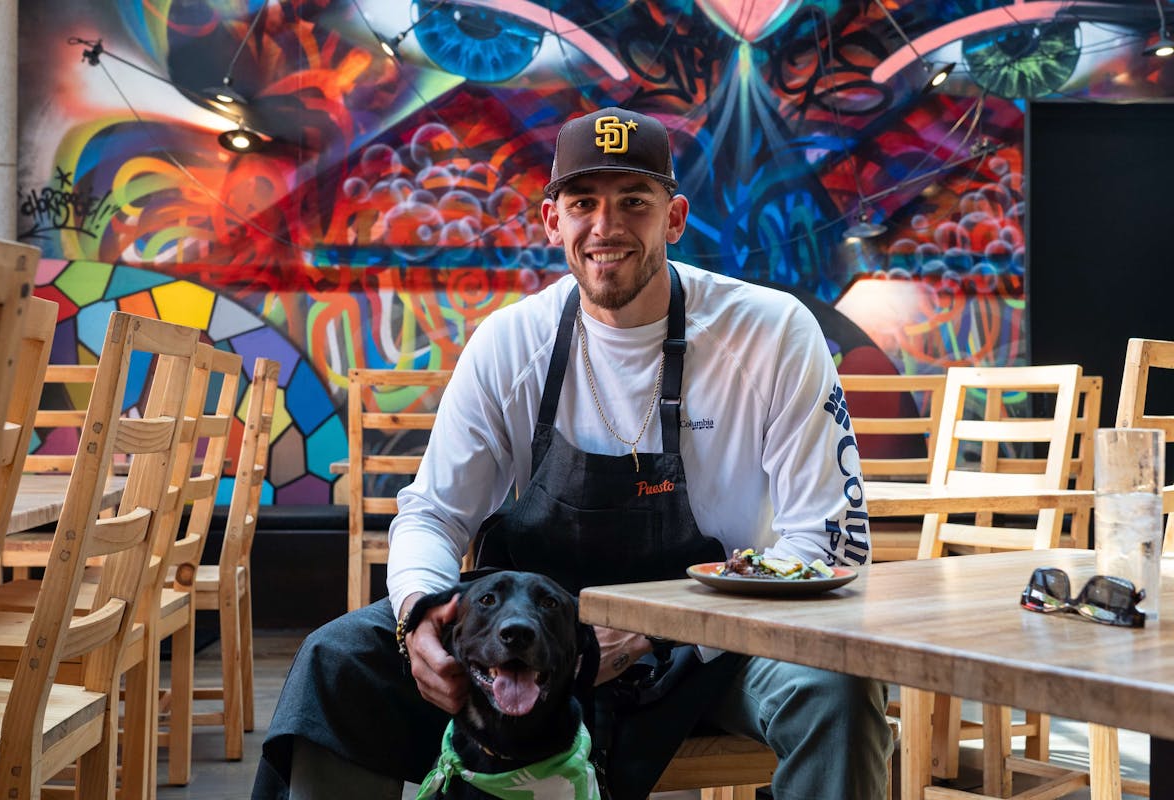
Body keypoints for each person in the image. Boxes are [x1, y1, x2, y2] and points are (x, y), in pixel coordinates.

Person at [254, 106, 893, 800]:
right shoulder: (509, 342)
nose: (606, 226)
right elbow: (433, 515)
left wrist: (658, 628)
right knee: (337, 661)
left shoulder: (770, 334)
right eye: (583, 202)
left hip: (714, 647)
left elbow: (826, 546)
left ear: (674, 218)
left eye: (634, 203)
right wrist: (418, 619)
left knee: (839, 682)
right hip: (519, 650)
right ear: (552, 220)